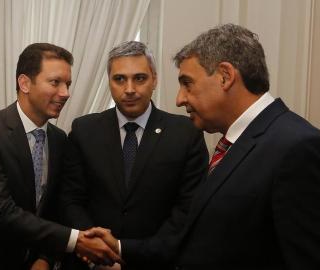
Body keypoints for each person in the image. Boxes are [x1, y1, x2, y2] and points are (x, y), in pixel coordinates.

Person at [170, 23, 320, 269]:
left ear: (225, 75)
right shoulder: (235, 144)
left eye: (187, 83)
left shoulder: (302, 150)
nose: (179, 99)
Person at [0, 43, 120, 270]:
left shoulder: (59, 140)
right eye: (55, 82)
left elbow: (53, 207)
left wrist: (45, 258)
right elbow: (1, 212)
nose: (66, 93)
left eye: (68, 84)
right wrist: (78, 241)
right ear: (25, 83)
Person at [58, 41, 208, 270]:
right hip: (90, 263)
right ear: (109, 81)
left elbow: (186, 210)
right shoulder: (84, 130)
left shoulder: (186, 133)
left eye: (139, 78)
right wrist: (98, 252)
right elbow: (70, 200)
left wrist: (127, 251)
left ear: (154, 79)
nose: (129, 89)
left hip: (157, 263)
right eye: (119, 79)